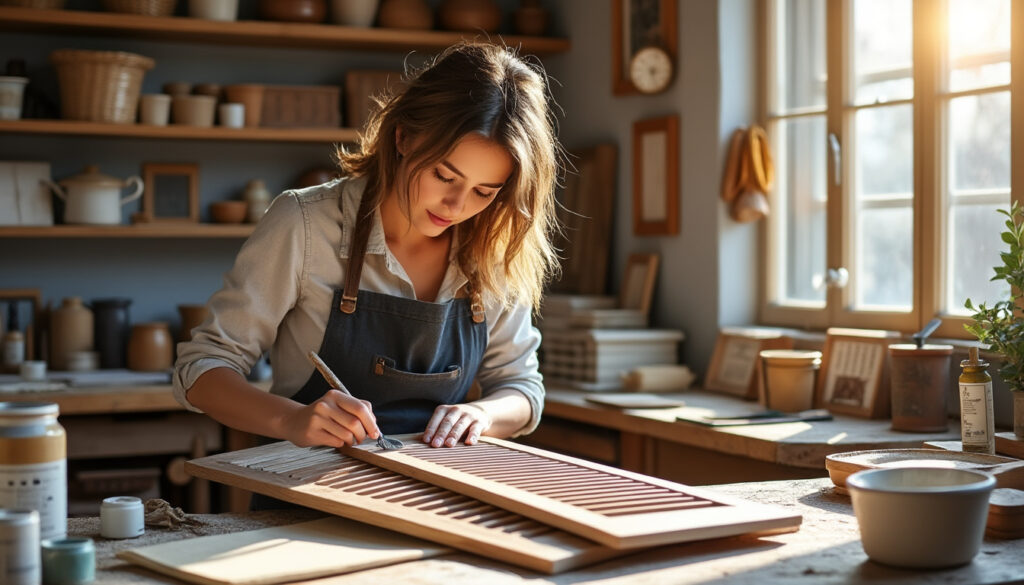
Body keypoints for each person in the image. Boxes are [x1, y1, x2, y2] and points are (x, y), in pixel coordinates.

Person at [173, 42, 562, 453]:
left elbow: (521, 388)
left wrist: (484, 414)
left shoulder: (494, 246)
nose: (457, 206)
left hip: (435, 494)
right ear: (404, 137)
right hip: (308, 491)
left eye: (483, 191)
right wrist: (290, 419)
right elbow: (201, 368)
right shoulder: (305, 223)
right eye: (444, 176)